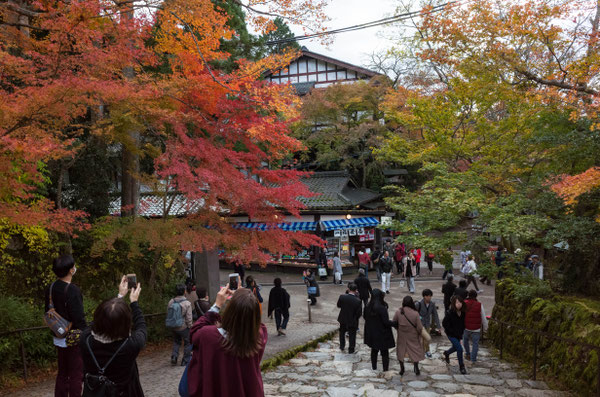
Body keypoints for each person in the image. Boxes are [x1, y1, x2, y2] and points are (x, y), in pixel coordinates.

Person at [187, 286, 267, 397]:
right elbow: (257, 324)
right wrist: (244, 298)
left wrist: (217, 305)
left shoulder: (208, 336)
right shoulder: (259, 337)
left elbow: (194, 331)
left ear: (230, 311)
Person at [81, 277, 145, 397]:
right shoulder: (130, 346)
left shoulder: (86, 340)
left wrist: (119, 296)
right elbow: (141, 327)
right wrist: (134, 303)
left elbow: (94, 324)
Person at [45, 254, 86, 397]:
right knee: (76, 374)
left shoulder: (51, 287)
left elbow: (48, 310)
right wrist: (86, 334)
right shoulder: (72, 290)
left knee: (62, 372)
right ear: (70, 270)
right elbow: (79, 318)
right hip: (73, 337)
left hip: (58, 335)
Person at [363, 289, 395, 371]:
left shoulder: (367, 306)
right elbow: (386, 322)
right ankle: (385, 369)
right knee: (384, 352)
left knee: (374, 350)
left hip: (372, 333)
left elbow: (365, 317)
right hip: (382, 333)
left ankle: (374, 367)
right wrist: (394, 323)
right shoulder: (381, 308)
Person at [393, 296, 425, 376]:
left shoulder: (398, 312)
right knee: (415, 350)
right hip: (413, 335)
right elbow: (419, 327)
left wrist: (399, 329)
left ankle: (402, 368)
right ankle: (416, 367)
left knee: (401, 351)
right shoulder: (415, 313)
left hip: (402, 335)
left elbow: (394, 322)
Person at [167, 284, 193, 366]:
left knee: (176, 341)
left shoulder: (171, 301)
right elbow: (189, 318)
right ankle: (185, 361)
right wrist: (190, 326)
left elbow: (168, 313)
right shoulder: (187, 303)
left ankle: (174, 357)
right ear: (184, 291)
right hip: (183, 327)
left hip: (173, 326)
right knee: (187, 343)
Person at [442, 295, 467, 374]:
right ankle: (461, 366)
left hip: (459, 334)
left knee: (456, 347)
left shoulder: (463, 312)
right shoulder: (450, 312)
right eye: (457, 303)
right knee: (460, 349)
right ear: (453, 303)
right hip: (451, 334)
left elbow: (463, 324)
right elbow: (444, 323)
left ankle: (447, 353)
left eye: (460, 302)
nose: (459, 304)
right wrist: (450, 331)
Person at [463, 290, 488, 364]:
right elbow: (483, 317)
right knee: (475, 344)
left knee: (465, 341)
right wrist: (486, 327)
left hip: (466, 327)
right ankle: (473, 359)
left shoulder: (464, 303)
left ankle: (467, 353)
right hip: (476, 328)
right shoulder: (479, 304)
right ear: (476, 296)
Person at [337, 283, 363, 353]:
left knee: (342, 333)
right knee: (352, 335)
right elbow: (359, 313)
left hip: (343, 318)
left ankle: (342, 346)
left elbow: (338, 305)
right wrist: (355, 318)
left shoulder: (342, 297)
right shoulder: (358, 301)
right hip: (352, 320)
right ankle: (351, 349)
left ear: (348, 289)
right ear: (356, 290)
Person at [415, 289, 442, 357]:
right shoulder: (418, 304)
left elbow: (435, 315)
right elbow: (414, 314)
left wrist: (439, 327)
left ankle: (427, 350)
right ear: (424, 296)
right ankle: (420, 351)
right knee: (420, 338)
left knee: (427, 338)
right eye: (428, 296)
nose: (429, 297)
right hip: (419, 324)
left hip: (427, 324)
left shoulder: (432, 304)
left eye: (430, 296)